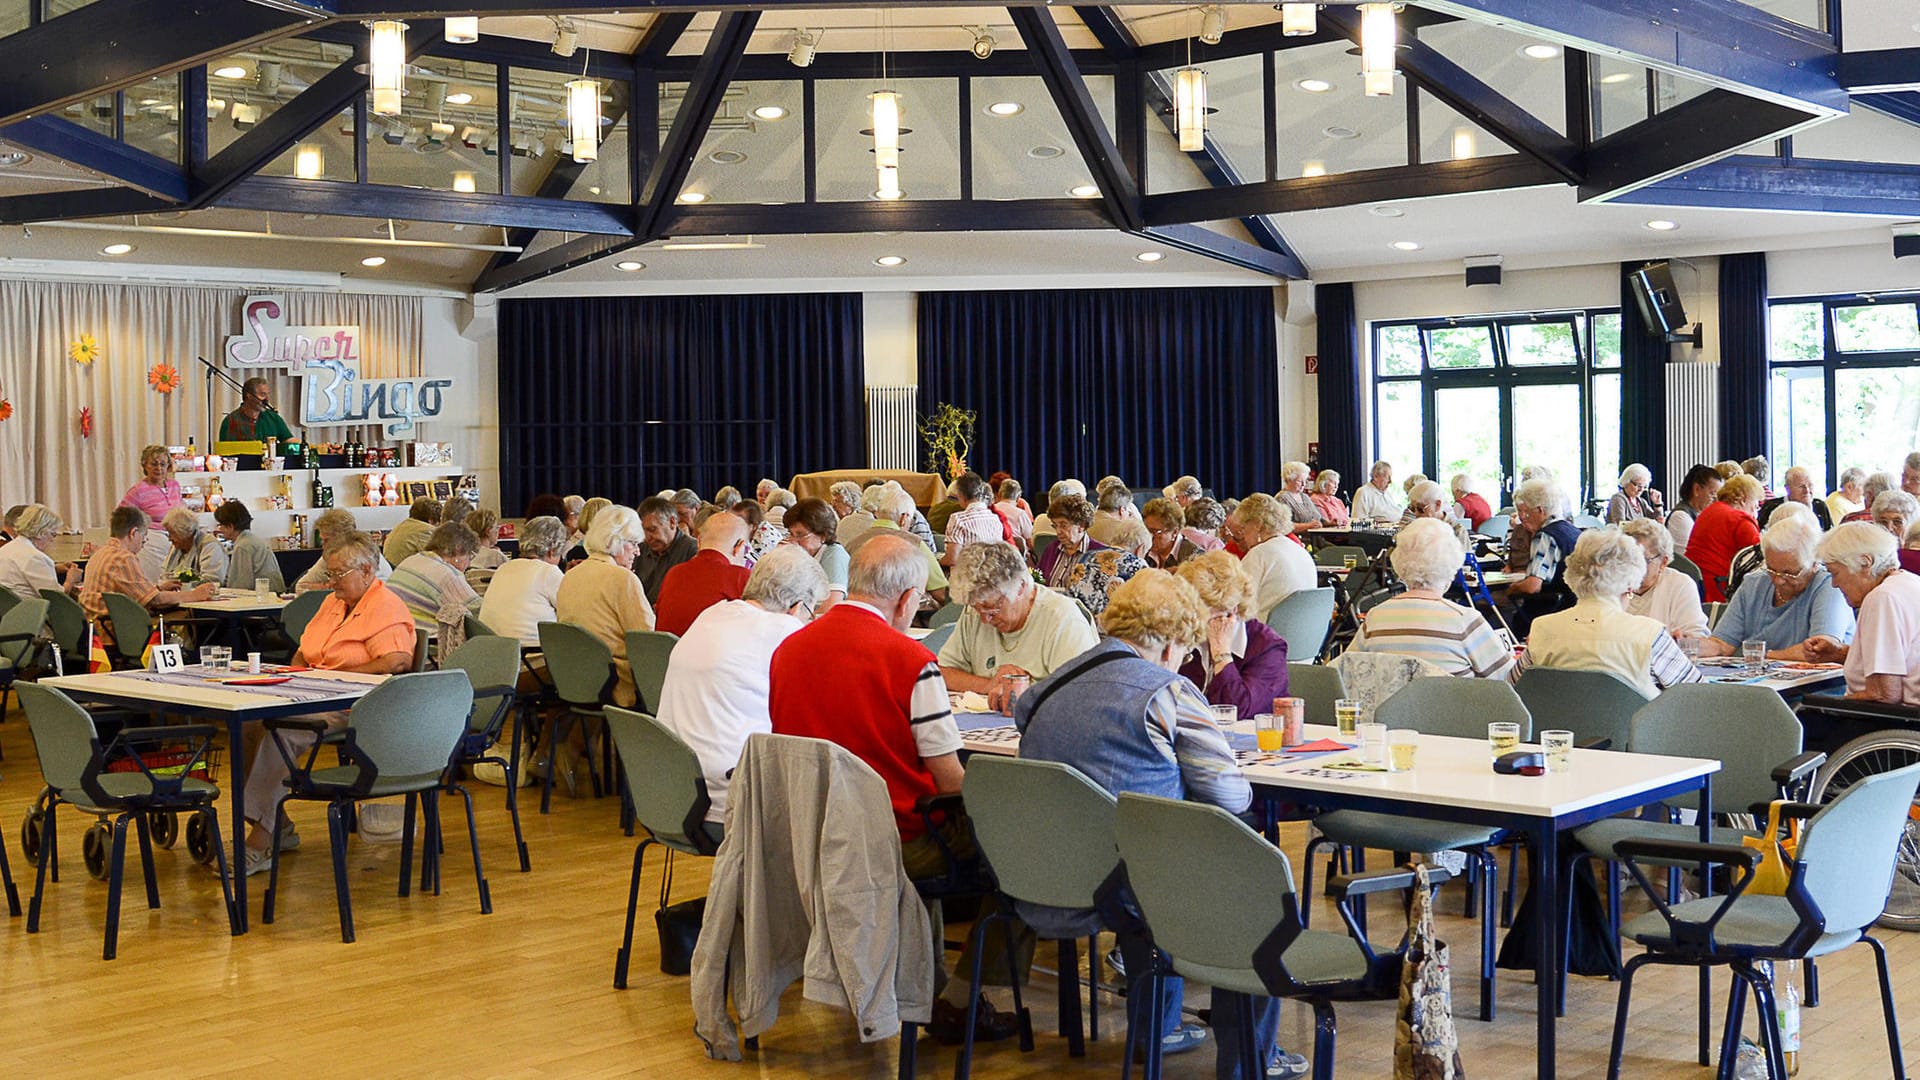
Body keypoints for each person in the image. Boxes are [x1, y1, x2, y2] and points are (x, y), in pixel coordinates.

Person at [1016, 569, 1305, 1078]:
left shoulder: (1046, 687)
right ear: (1173, 645)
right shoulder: (1167, 693)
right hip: (1136, 882)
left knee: (1150, 859)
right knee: (1250, 893)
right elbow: (1230, 794)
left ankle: (1157, 1031)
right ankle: (1252, 1063)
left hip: (1049, 875)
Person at [766, 532, 1024, 1044]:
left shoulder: (787, 650)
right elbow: (951, 782)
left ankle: (926, 990)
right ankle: (959, 1001)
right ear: (907, 599)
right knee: (1024, 857)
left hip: (811, 833)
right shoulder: (909, 662)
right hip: (896, 842)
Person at [238, 532, 414, 875]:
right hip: (314, 691)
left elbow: (396, 663)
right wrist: (296, 679)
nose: (331, 582)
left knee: (284, 731)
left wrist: (340, 676)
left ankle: (261, 840)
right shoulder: (333, 603)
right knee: (248, 724)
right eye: (330, 574)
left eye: (338, 575)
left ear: (366, 571)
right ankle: (279, 824)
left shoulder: (386, 606)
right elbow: (305, 651)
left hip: (358, 704)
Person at [656, 546, 827, 833]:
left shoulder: (713, 613)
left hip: (670, 790)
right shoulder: (784, 630)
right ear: (796, 607)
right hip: (728, 801)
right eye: (811, 612)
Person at [1517, 528, 1704, 698]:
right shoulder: (1650, 634)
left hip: (1558, 732)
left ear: (1573, 574)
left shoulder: (1542, 629)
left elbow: (1513, 688)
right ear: (1631, 583)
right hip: (1636, 734)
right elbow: (1695, 695)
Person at [1348, 518, 1516, 681]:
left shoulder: (1375, 617)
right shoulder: (1464, 621)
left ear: (1400, 565)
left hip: (1386, 708)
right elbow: (1507, 679)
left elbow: (1348, 671)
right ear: (1452, 568)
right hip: (1448, 709)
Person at [939, 541, 1099, 709]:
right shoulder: (977, 612)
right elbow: (943, 672)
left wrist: (1022, 691)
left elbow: (1079, 693)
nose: (985, 620)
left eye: (992, 609)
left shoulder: (1063, 619)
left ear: (1021, 587)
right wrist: (988, 685)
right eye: (977, 609)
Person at [1699, 513, 1854, 662]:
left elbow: (1819, 650)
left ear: (1814, 564)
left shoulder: (1830, 586)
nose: (1778, 580)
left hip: (1814, 687)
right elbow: (1722, 644)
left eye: (1790, 573)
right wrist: (1686, 645)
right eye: (1772, 569)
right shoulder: (1753, 584)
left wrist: (1764, 656)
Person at [1804, 522, 1920, 705]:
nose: (1833, 584)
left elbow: (1884, 694)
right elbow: (1898, 660)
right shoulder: (1909, 582)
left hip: (1895, 721)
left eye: (1835, 573)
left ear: (1866, 562)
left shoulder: (1881, 598)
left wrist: (1833, 704)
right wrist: (1840, 654)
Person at [554, 504, 656, 709]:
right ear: (616, 542)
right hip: (616, 683)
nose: (637, 552)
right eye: (634, 543)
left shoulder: (571, 575)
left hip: (575, 679)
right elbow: (646, 640)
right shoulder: (623, 578)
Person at [80, 507, 217, 644]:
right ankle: (189, 659)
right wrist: (195, 595)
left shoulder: (100, 554)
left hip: (96, 630)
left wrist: (158, 588)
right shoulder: (123, 558)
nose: (143, 543)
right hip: (115, 633)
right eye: (144, 537)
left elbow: (134, 592)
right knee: (185, 617)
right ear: (133, 533)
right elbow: (155, 600)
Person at [1175, 550, 1292, 710]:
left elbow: (1236, 709)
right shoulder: (1188, 635)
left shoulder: (1267, 647)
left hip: (1253, 733)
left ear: (1232, 610)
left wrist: (1221, 652)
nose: (1194, 616)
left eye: (1203, 609)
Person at [384, 521, 482, 662]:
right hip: (426, 654)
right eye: (470, 556)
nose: (469, 564)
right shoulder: (446, 574)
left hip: (396, 644)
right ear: (458, 550)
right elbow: (477, 613)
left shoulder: (411, 561)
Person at [1505, 476, 1583, 637]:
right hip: (1575, 608)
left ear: (1540, 510)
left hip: (1548, 612)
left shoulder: (1545, 537)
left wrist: (1513, 588)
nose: (1523, 519)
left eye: (1525, 513)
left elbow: (1533, 586)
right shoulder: (1574, 531)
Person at [654, 512, 753, 637]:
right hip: (709, 654)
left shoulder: (674, 573)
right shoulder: (739, 576)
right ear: (739, 546)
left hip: (665, 654)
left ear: (699, 542)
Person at [478, 515, 567, 648]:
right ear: (552, 551)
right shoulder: (548, 572)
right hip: (531, 656)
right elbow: (573, 613)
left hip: (493, 653)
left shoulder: (504, 568)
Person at [1227, 493, 1317, 619]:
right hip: (1302, 632)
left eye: (1243, 527)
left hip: (1266, 633)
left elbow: (1236, 602)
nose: (1243, 536)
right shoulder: (1299, 550)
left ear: (1257, 524)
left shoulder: (1258, 554)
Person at [1620, 518, 1709, 639]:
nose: (1633, 566)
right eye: (1626, 558)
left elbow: (1695, 637)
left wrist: (1679, 640)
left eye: (1643, 560)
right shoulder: (1611, 583)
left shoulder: (1680, 585)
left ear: (1663, 562)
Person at [1687, 474, 1765, 603]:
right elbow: (1759, 559)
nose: (1756, 511)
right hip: (1719, 590)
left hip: (1696, 585)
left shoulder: (1709, 511)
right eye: (1756, 505)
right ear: (1743, 499)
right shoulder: (1740, 520)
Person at [1062, 518, 1150, 616]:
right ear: (1140, 549)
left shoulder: (1086, 556)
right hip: (1110, 627)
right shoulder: (1138, 565)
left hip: (1078, 622)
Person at [120, 444, 183, 580]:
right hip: (152, 544)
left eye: (163, 464)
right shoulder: (138, 490)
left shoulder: (175, 485)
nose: (159, 468)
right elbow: (121, 516)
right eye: (154, 464)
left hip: (175, 542)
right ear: (145, 466)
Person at [0, 503, 81, 602]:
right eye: (53, 534)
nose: (52, 540)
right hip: (31, 612)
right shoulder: (34, 557)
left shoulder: (7, 549)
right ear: (41, 532)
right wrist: (71, 580)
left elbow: (22, 575)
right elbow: (57, 598)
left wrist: (53, 568)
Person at [777, 497, 848, 610]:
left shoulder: (834, 555)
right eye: (791, 534)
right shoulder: (802, 556)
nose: (793, 540)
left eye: (800, 534)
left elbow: (830, 607)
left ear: (823, 535)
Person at [296, 508, 392, 590]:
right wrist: (326, 586)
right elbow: (300, 586)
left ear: (343, 538)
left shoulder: (365, 556)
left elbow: (351, 591)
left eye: (326, 540)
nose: (323, 546)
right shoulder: (333, 556)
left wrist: (327, 587)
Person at [632, 495, 698, 605]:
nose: (647, 537)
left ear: (672, 522)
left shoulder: (692, 550)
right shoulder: (640, 549)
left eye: (652, 529)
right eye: (643, 531)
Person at [1038, 494, 1105, 590]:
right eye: (1055, 526)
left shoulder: (1099, 554)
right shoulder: (1051, 549)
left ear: (1081, 525)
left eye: (1063, 525)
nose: (1058, 531)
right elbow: (1039, 582)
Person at [940, 473, 1003, 570]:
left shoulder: (958, 519)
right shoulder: (995, 518)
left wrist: (936, 562)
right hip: (992, 574)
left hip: (968, 578)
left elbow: (952, 559)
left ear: (961, 495)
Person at [1665, 464, 1723, 558]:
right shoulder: (1680, 517)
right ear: (1696, 489)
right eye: (1712, 494)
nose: (1716, 500)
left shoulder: (1702, 514)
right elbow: (1689, 557)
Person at [161, 506, 228, 585]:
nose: (169, 538)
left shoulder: (210, 546)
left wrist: (182, 585)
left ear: (185, 533)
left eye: (172, 533)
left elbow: (211, 580)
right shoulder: (176, 547)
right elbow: (165, 574)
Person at [217, 375, 294, 443]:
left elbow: (287, 439)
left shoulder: (273, 417)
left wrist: (304, 444)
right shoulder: (231, 420)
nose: (267, 399)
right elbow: (226, 452)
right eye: (263, 394)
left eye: (268, 394)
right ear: (249, 396)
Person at [1758, 465, 1834, 530]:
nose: (1807, 490)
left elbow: (1829, 536)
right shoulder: (1771, 507)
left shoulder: (1819, 506)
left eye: (1810, 485)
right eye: (1801, 486)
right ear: (1787, 488)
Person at [1141, 497, 1201, 569]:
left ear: (1174, 532)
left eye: (1156, 532)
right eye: (1146, 530)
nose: (1149, 536)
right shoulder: (1144, 551)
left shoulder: (1193, 556)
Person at [383, 499, 440, 567]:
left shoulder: (403, 525)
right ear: (431, 520)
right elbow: (435, 560)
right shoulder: (426, 530)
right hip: (404, 573)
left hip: (394, 570)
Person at [1275, 462, 1323, 535]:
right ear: (1289, 480)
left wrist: (1330, 522)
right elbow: (1283, 526)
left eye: (1305, 481)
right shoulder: (1282, 498)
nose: (1304, 484)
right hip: (1300, 542)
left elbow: (1318, 518)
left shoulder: (1305, 497)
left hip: (1318, 539)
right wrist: (1308, 526)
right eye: (1300, 481)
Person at [1350, 460, 1400, 524]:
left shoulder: (1388, 493)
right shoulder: (1363, 492)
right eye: (1387, 477)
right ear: (1376, 476)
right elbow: (1357, 521)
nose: (1390, 481)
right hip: (1379, 532)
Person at [992, 479, 1034, 552]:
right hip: (1016, 556)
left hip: (994, 553)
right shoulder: (1021, 514)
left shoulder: (990, 510)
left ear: (999, 494)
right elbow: (1030, 543)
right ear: (1018, 497)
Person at [835, 483, 881, 549]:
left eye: (838, 502)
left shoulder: (846, 521)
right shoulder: (875, 525)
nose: (833, 505)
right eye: (833, 501)